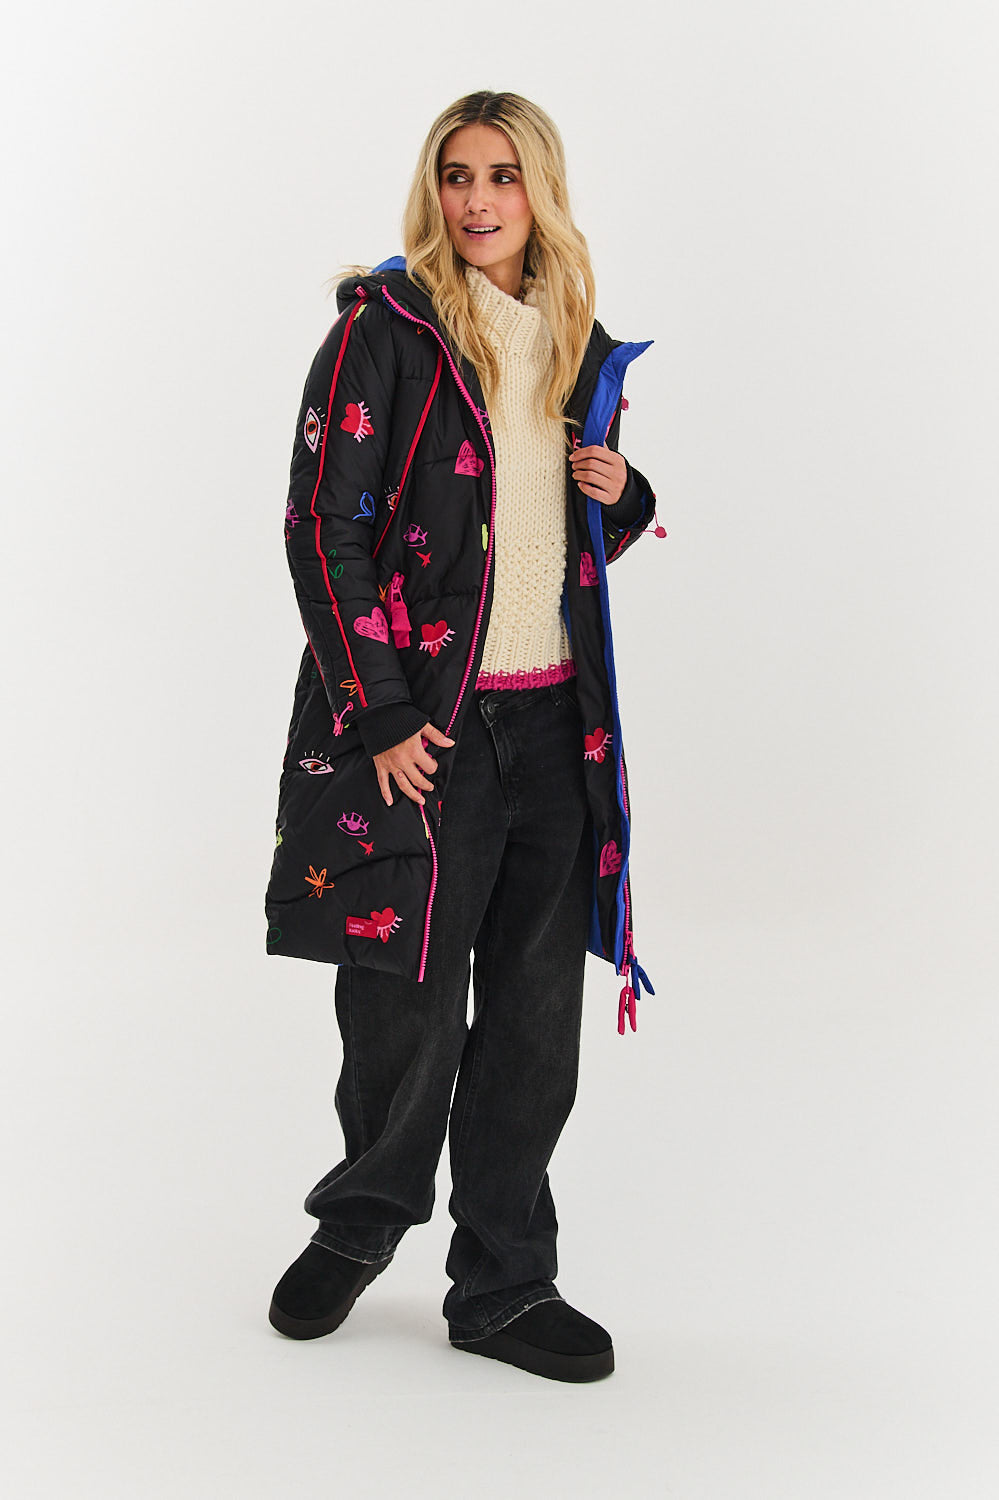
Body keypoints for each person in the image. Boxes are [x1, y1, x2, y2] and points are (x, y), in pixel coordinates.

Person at [263, 89, 658, 1384]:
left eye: (502, 175)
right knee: (404, 1003)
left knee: (535, 1022)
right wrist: (380, 711)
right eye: (456, 174)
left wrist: (624, 493)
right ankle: (363, 1220)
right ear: (432, 191)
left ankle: (502, 1282)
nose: (478, 200)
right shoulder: (384, 333)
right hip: (426, 729)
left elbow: (545, 538)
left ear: (541, 189)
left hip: (556, 725)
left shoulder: (576, 338)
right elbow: (323, 528)